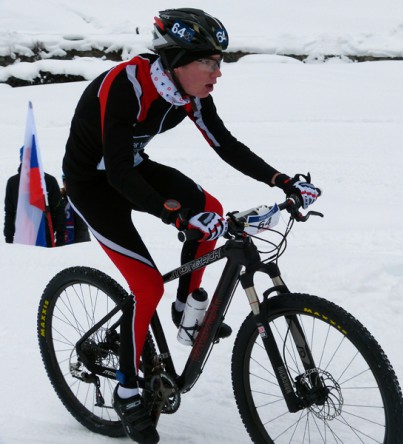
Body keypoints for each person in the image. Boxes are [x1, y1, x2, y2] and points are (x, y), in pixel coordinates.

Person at [61, 8, 319, 444]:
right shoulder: (125, 86)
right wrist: (175, 213)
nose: (218, 71)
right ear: (176, 60)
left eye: (220, 61)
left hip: (132, 170)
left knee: (212, 212)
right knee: (146, 287)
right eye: (209, 61)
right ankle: (126, 389)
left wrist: (282, 180)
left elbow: (226, 144)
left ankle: (186, 310)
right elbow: (120, 173)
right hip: (93, 184)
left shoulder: (191, 93)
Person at [4, 150, 65, 247]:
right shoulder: (13, 183)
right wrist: (9, 239)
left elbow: (59, 211)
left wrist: (61, 238)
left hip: (45, 237)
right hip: (22, 239)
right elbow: (9, 212)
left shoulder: (49, 181)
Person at [60, 177, 90, 244]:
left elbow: (82, 224)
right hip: (65, 239)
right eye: (64, 181)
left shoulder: (80, 198)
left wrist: (81, 242)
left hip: (81, 240)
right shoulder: (61, 200)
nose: (66, 184)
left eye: (68, 181)